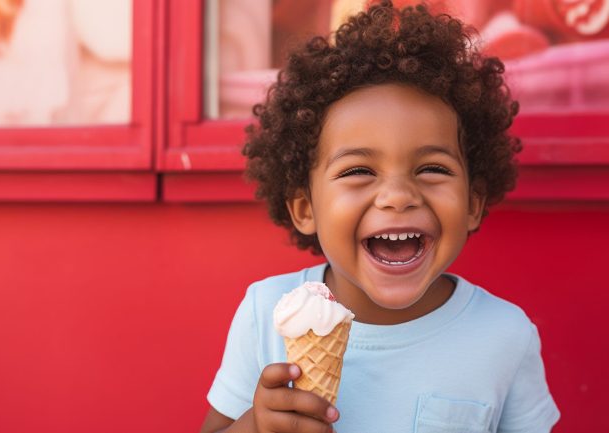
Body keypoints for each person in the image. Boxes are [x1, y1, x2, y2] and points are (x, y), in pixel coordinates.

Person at [200, 1, 560, 432]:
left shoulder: (505, 336)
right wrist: (256, 425)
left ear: (472, 204)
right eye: (358, 171)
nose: (397, 196)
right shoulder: (267, 313)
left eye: (432, 169)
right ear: (304, 208)